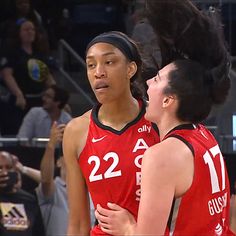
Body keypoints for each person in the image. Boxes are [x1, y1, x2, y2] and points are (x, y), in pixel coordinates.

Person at [94, 0, 235, 235]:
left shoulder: (162, 156)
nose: (148, 82)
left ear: (169, 100)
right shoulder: (204, 136)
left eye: (157, 80)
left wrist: (128, 228)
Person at [63, 30, 160, 235]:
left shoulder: (160, 119)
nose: (99, 72)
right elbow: (78, 223)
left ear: (130, 69)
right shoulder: (76, 131)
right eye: (91, 65)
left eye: (109, 62)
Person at [0, 18, 55, 135]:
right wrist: (18, 94)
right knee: (16, 133)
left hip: (39, 100)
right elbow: (6, 74)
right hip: (19, 100)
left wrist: (58, 96)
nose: (30, 32)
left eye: (32, 29)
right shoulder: (12, 52)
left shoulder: (39, 53)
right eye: (26, 29)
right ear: (18, 33)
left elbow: (48, 77)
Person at [0, 151, 45, 236]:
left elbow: (38, 231)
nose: (4, 172)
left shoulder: (29, 200)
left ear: (15, 170)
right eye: (0, 168)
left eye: (8, 167)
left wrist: (24, 169)